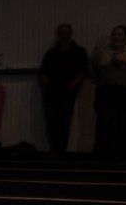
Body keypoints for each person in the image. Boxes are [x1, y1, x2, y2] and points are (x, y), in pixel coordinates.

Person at [89, 25, 126, 161]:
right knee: (106, 123)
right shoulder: (102, 53)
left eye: (120, 34)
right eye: (114, 34)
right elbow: (93, 68)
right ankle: (105, 153)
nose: (116, 37)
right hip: (107, 94)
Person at [37, 23, 88, 156]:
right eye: (61, 33)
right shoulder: (51, 53)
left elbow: (82, 72)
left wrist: (70, 87)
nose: (63, 36)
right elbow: (43, 71)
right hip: (51, 93)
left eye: (66, 33)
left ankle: (61, 151)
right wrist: (47, 86)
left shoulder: (79, 51)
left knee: (64, 122)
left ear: (71, 34)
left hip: (67, 93)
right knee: (51, 122)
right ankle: (54, 149)